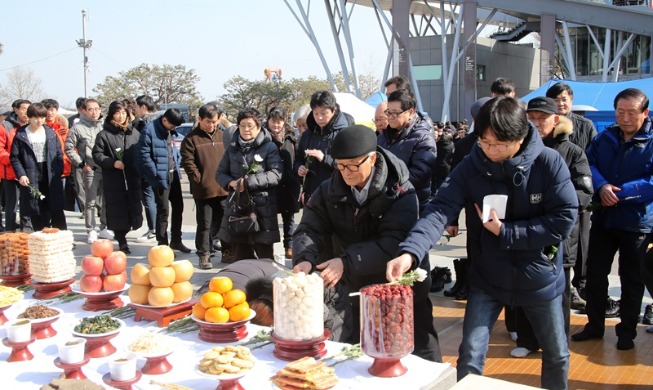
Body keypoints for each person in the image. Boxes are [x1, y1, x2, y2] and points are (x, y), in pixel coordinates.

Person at [387, 97, 578, 389]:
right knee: (471, 354)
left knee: (556, 353)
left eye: (498, 144)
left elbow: (564, 219)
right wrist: (410, 252)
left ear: (520, 137)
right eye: (484, 142)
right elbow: (439, 209)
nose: (489, 150)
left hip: (539, 277)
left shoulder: (548, 162)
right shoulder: (471, 165)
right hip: (487, 275)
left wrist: (506, 232)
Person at [292, 125, 441, 362]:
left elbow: (394, 242)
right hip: (354, 282)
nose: (346, 172)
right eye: (340, 166)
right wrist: (304, 259)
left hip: (397, 281)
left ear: (372, 159)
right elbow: (310, 228)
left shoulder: (401, 190)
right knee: (362, 348)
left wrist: (346, 261)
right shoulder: (329, 188)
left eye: (353, 165)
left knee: (414, 346)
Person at [510, 97, 593, 358]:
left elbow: (584, 191)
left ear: (555, 120)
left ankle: (557, 341)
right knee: (523, 287)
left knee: (559, 292)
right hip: (525, 231)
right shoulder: (518, 149)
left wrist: (555, 208)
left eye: (541, 118)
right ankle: (527, 339)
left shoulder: (572, 152)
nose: (535, 123)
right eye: (530, 118)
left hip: (558, 235)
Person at [571, 88, 653, 351]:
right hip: (605, 219)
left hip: (636, 221)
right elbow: (588, 164)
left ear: (645, 113)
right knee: (595, 274)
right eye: (620, 112)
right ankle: (594, 324)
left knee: (632, 278)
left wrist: (619, 194)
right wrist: (602, 186)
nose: (625, 118)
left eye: (631, 113)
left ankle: (626, 332)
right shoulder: (606, 136)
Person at [546, 82, 598, 310]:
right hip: (551, 202)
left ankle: (581, 284)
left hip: (579, 198)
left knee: (582, 247)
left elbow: (594, 160)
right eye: (556, 100)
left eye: (564, 99)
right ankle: (569, 288)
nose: (561, 104)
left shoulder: (585, 126)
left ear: (571, 100)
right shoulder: (542, 130)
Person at [216, 108, 282, 261]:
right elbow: (220, 173)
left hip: (262, 208)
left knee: (265, 256)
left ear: (258, 127)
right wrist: (231, 183)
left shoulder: (269, 147)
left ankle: (267, 284)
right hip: (238, 207)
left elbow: (276, 174)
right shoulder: (232, 148)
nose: (246, 129)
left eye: (250, 125)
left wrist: (248, 182)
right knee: (240, 255)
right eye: (242, 125)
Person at [180, 103, 229, 269]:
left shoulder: (224, 136)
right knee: (204, 224)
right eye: (208, 121)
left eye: (215, 122)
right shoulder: (191, 139)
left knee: (225, 221)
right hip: (203, 189)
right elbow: (188, 162)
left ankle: (227, 250)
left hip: (224, 188)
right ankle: (204, 254)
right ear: (199, 119)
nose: (212, 125)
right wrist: (197, 179)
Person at [92, 101, 143, 254]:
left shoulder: (133, 132)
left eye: (123, 113)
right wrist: (112, 162)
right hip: (115, 180)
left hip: (132, 177)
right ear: (111, 115)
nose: (121, 116)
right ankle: (122, 240)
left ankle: (126, 232)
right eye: (117, 113)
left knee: (133, 209)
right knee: (118, 210)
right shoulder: (104, 135)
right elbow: (97, 154)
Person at [138, 108, 191, 253]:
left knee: (178, 207)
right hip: (159, 176)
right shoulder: (149, 130)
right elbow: (144, 155)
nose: (174, 128)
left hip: (174, 174)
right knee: (163, 211)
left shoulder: (170, 130)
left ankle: (176, 241)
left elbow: (174, 150)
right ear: (165, 120)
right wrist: (155, 174)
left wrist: (177, 161)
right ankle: (162, 243)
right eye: (172, 125)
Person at [377, 89, 437, 212]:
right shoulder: (383, 136)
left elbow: (419, 175)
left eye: (395, 113)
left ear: (410, 112)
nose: (390, 117)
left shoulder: (423, 139)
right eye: (388, 112)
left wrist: (389, 187)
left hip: (413, 204)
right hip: (385, 202)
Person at [10, 103, 66, 231]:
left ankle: (62, 236)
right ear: (29, 117)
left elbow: (59, 153)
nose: (39, 120)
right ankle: (40, 234)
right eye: (36, 117)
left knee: (56, 207)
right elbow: (15, 157)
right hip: (31, 173)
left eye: (42, 117)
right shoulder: (21, 134)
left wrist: (58, 171)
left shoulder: (50, 133)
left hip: (50, 173)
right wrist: (21, 174)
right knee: (35, 206)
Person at [65, 98, 114, 244]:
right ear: (84, 111)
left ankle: (104, 227)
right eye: (91, 109)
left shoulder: (105, 126)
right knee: (90, 201)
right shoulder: (77, 128)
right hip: (90, 168)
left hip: (106, 168)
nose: (94, 112)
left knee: (107, 200)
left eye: (97, 109)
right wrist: (81, 164)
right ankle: (91, 229)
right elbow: (68, 148)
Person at [294, 91, 350, 206]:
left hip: (336, 196)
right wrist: (299, 168)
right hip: (311, 195)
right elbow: (298, 159)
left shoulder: (344, 133)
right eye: (315, 113)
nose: (319, 117)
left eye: (324, 113)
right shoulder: (307, 134)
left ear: (334, 110)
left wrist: (324, 158)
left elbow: (350, 165)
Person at [266, 107, 300, 259]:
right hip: (271, 184)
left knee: (289, 217)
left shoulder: (291, 137)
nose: (276, 125)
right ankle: (269, 249)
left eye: (279, 122)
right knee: (270, 218)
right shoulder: (264, 137)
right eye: (273, 121)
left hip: (289, 183)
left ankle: (289, 246)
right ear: (268, 121)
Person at [0, 99, 30, 231]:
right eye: (23, 109)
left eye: (28, 109)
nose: (26, 112)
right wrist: (13, 161)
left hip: (28, 172)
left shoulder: (32, 125)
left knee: (28, 203)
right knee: (11, 205)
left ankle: (27, 230)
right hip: (10, 172)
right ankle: (10, 231)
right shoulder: (5, 126)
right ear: (16, 110)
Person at [133, 95, 159, 243]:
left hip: (147, 167)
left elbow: (142, 148)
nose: (135, 110)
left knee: (148, 198)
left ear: (143, 107)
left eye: (136, 107)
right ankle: (157, 229)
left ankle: (153, 230)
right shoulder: (161, 122)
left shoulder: (144, 124)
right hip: (159, 167)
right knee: (156, 199)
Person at [42, 99, 74, 214]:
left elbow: (71, 148)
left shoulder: (64, 129)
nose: (49, 113)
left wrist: (67, 162)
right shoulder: (40, 129)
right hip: (44, 168)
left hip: (63, 168)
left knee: (59, 199)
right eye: (46, 110)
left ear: (56, 111)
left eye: (52, 110)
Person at [68, 97, 87, 217]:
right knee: (80, 187)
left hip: (94, 160)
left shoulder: (99, 122)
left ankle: (100, 210)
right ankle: (85, 210)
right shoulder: (72, 121)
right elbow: (69, 145)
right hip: (78, 159)